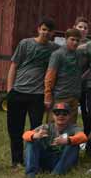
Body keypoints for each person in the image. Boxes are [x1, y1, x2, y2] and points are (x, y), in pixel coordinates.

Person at [7, 18, 59, 167]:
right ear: (38, 29)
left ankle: (32, 160)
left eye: (49, 30)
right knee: (15, 129)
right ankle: (16, 161)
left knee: (36, 129)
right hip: (18, 91)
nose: (46, 32)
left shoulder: (54, 49)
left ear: (52, 33)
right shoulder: (25, 43)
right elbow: (14, 66)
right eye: (43, 29)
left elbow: (71, 47)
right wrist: (10, 90)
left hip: (37, 95)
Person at [22, 102, 87, 178]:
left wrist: (68, 140)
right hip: (46, 158)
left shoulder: (73, 128)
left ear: (69, 116)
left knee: (74, 145)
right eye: (57, 113)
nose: (61, 116)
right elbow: (25, 135)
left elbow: (83, 137)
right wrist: (34, 135)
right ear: (53, 116)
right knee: (31, 141)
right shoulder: (46, 127)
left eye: (64, 113)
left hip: (62, 160)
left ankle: (57, 174)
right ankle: (31, 174)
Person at [44, 28, 82, 124]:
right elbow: (50, 76)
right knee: (55, 126)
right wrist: (48, 96)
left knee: (70, 128)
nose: (75, 42)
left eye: (77, 40)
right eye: (72, 39)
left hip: (74, 97)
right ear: (66, 39)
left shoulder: (78, 54)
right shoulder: (57, 54)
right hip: (60, 96)